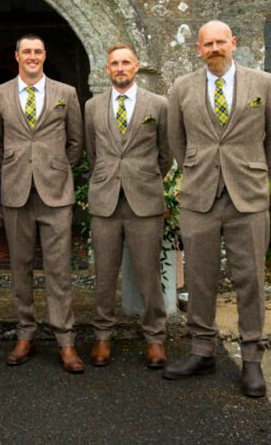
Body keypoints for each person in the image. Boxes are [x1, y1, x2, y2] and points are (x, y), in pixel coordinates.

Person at [163, 20, 271, 398]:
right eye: (208, 44)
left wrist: (255, 173)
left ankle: (252, 359)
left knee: (249, 277)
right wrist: (199, 170)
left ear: (234, 43)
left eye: (221, 42)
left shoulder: (262, 83)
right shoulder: (182, 88)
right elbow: (176, 139)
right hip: (200, 196)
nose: (215, 48)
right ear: (198, 49)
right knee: (200, 278)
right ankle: (202, 351)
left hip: (247, 197)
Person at [0, 34, 86, 373]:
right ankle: (25, 333)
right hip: (16, 193)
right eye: (26, 52)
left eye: (38, 52)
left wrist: (54, 168)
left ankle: (65, 340)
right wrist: (18, 170)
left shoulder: (66, 93)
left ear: (45, 56)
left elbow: (76, 143)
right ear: (16, 56)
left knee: (59, 270)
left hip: (55, 193)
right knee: (20, 268)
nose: (32, 56)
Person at [84, 43, 174, 369]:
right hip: (105, 200)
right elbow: (92, 153)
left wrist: (146, 177)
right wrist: (109, 176)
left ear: (136, 66)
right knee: (104, 274)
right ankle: (102, 337)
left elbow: (167, 152)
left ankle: (155, 339)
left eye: (126, 63)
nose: (120, 68)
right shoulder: (92, 107)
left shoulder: (158, 105)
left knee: (148, 273)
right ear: (107, 69)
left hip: (144, 199)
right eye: (114, 64)